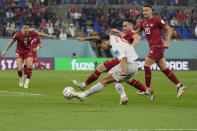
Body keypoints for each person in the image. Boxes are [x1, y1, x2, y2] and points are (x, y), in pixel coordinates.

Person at [72, 34, 154, 102]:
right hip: (134, 66)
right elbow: (98, 37)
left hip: (128, 65)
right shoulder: (113, 37)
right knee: (117, 81)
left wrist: (123, 71)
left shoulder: (115, 46)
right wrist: (85, 38)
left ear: (104, 42)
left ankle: (83, 94)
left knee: (105, 80)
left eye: (101, 46)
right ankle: (147, 92)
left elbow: (123, 59)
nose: (101, 49)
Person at [137, 4, 186, 98]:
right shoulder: (143, 22)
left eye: (146, 10)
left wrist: (167, 42)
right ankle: (180, 86)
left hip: (157, 46)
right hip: (152, 47)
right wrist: (127, 35)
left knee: (146, 65)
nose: (145, 12)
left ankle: (147, 89)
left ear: (151, 11)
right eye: (143, 11)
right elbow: (137, 33)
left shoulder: (157, 20)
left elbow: (169, 29)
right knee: (164, 69)